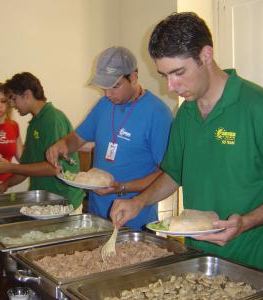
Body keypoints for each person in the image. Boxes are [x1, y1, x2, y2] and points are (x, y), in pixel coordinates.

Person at [110, 12, 263, 272]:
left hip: (254, 264)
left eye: (178, 72)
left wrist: (246, 222)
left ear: (206, 55)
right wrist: (139, 201)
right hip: (199, 261)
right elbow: (174, 173)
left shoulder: (258, 107)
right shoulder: (185, 113)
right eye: (164, 75)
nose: (170, 86)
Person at [46, 46, 172, 230]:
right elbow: (77, 138)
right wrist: (62, 144)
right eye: (104, 87)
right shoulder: (104, 105)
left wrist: (122, 187)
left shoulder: (157, 114)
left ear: (134, 77)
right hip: (96, 217)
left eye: (115, 86)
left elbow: (166, 174)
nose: (108, 94)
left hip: (134, 222)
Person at [0, 72, 84, 209]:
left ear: (26, 95)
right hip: (43, 203)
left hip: (64, 203)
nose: (12, 105)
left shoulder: (53, 119)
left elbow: (54, 168)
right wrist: (6, 184)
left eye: (14, 99)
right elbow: (26, 168)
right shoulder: (34, 125)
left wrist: (9, 167)